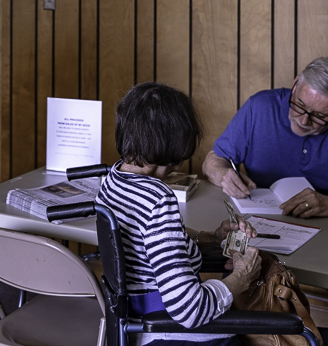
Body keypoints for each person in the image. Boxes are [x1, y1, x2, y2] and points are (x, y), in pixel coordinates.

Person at [202, 57, 328, 346]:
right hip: (262, 236)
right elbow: (213, 159)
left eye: (319, 117)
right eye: (298, 105)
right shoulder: (260, 107)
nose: (303, 120)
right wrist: (224, 174)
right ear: (296, 83)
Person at [97, 81, 261, 345]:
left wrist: (209, 237)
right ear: (177, 145)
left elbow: (146, 245)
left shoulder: (112, 181)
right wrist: (242, 278)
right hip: (169, 333)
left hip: (136, 325)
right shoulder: (158, 200)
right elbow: (190, 310)